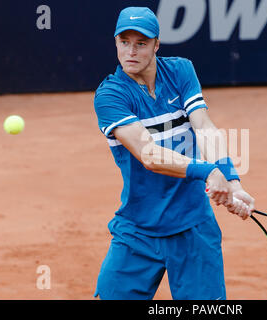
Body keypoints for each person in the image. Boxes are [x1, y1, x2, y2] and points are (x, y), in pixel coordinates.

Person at [93, 6, 255, 300]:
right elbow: (149, 155)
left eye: (141, 43)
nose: (131, 51)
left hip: (193, 226)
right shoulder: (110, 95)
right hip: (137, 231)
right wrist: (208, 171)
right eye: (124, 42)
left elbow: (204, 126)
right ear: (115, 43)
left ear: (156, 45)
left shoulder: (181, 70)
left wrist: (232, 181)